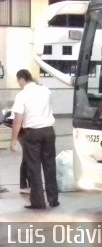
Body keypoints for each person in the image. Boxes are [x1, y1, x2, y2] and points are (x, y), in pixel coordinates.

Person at [9, 69, 59, 210]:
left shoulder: (22, 95)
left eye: (18, 81)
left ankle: (38, 203)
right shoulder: (46, 91)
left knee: (34, 167)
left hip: (33, 133)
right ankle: (53, 200)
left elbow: (18, 119)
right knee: (50, 165)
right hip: (49, 131)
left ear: (21, 79)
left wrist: (13, 140)